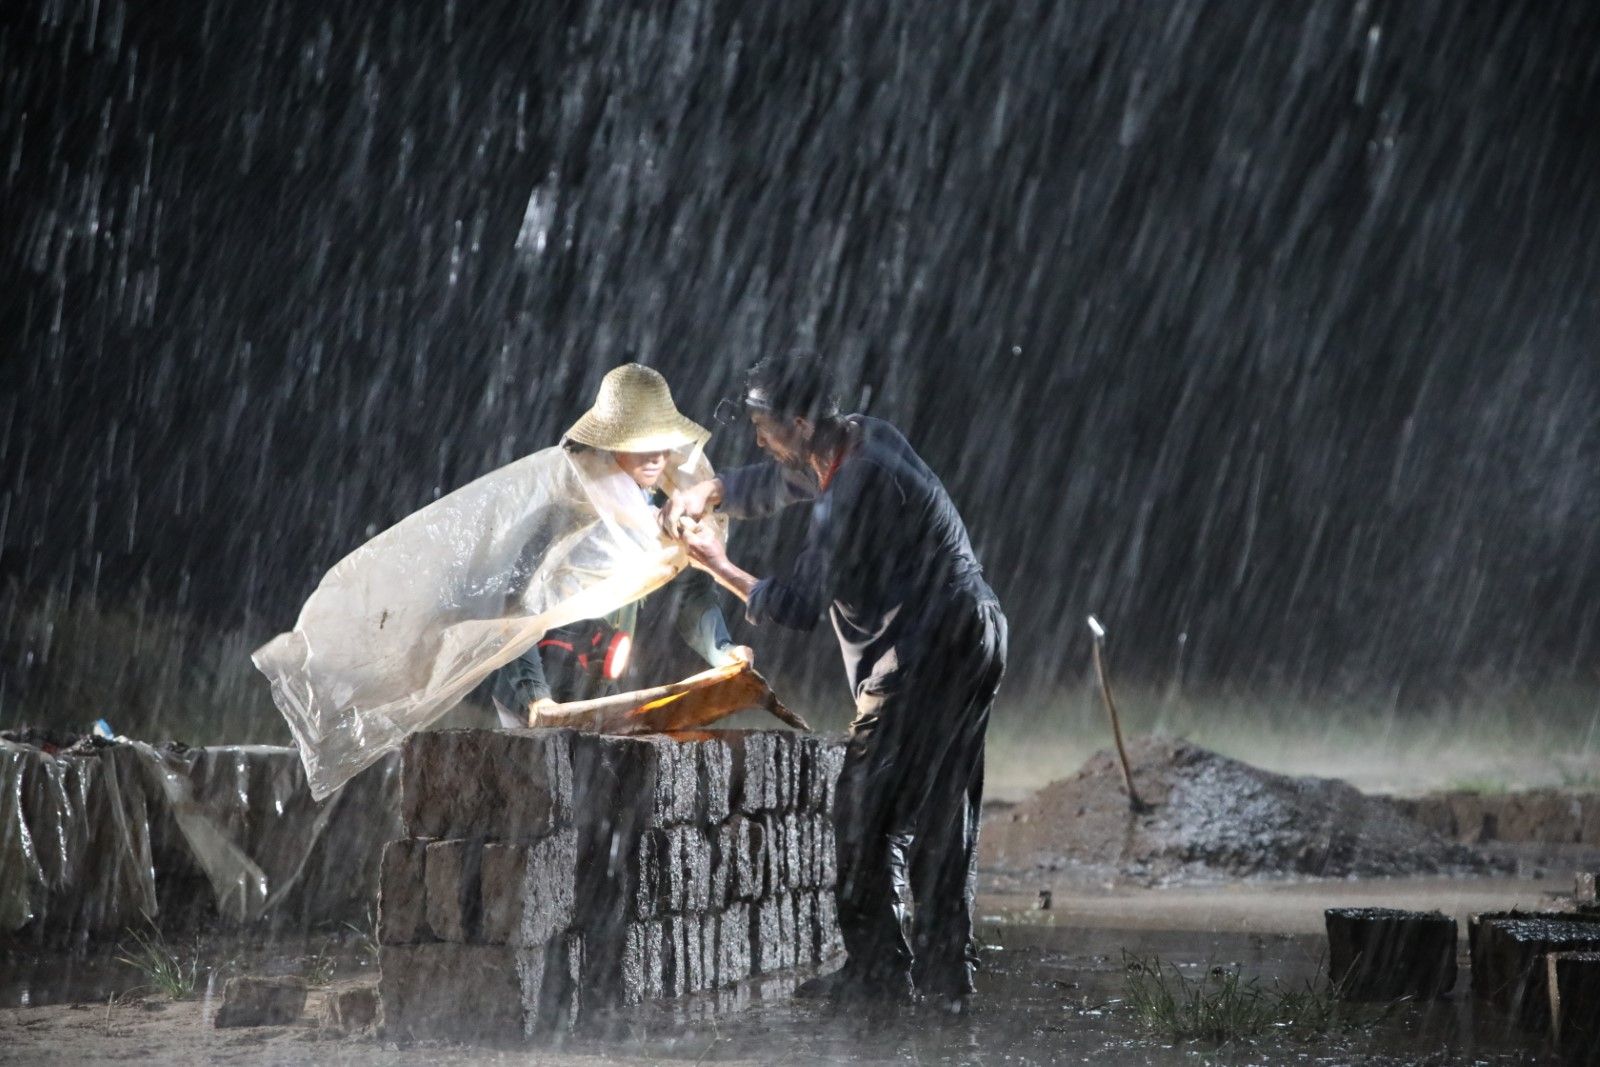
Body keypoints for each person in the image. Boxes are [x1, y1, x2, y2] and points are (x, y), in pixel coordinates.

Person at [662, 354, 1007, 1011]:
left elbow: (795, 602)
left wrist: (717, 564)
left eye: (765, 428)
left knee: (863, 808)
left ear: (797, 422)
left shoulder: (850, 495)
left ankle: (876, 974)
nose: (759, 439)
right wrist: (715, 491)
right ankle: (944, 970)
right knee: (942, 806)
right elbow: (788, 479)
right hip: (978, 629)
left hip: (930, 648)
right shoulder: (863, 438)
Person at [488, 364, 750, 728]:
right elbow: (514, 607)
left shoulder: (658, 519)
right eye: (640, 444)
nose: (656, 457)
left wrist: (724, 650)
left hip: (599, 685)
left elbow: (692, 592)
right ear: (611, 444)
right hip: (537, 680)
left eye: (662, 443)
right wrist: (536, 697)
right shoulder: (566, 510)